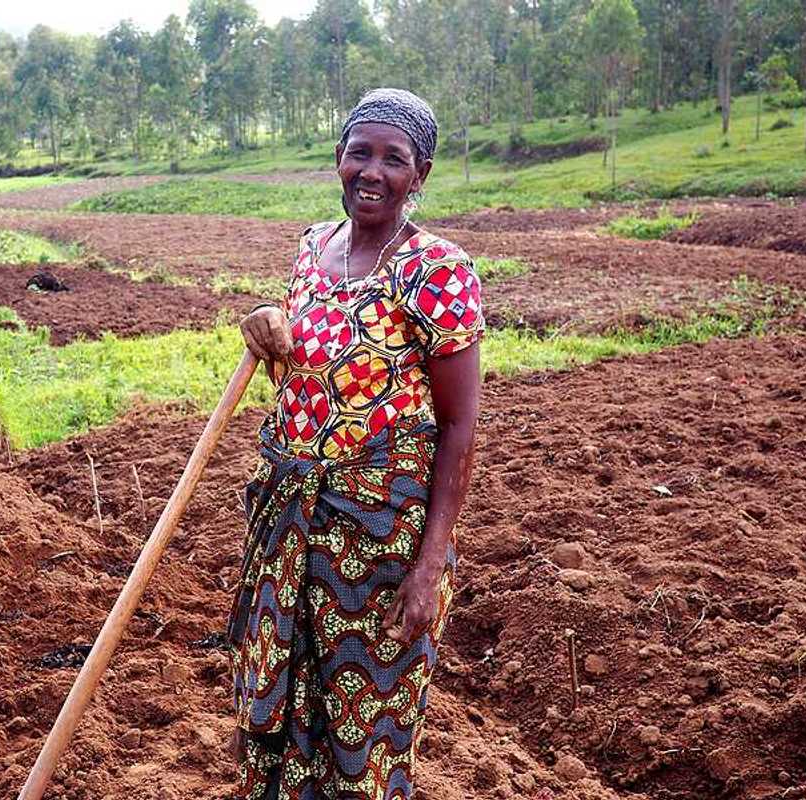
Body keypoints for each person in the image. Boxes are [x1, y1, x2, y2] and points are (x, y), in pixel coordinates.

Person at [228, 88, 485, 799]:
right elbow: (300, 370)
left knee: (364, 727)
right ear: (337, 160)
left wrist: (430, 566)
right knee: (283, 712)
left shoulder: (437, 271)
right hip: (292, 524)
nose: (372, 171)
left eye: (392, 159)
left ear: (420, 174)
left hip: (378, 536)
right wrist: (263, 325)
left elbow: (460, 425)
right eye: (359, 153)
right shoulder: (313, 249)